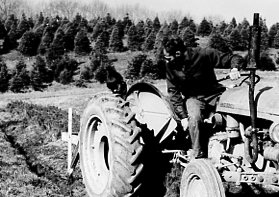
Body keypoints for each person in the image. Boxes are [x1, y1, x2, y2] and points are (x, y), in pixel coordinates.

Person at [163, 37, 241, 159]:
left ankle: (235, 148)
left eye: (168, 58)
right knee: (194, 118)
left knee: (235, 111)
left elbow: (233, 58)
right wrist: (183, 117)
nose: (166, 61)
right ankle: (197, 155)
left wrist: (235, 68)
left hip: (215, 93)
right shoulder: (170, 67)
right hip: (194, 98)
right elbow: (173, 92)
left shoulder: (203, 54)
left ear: (178, 53)